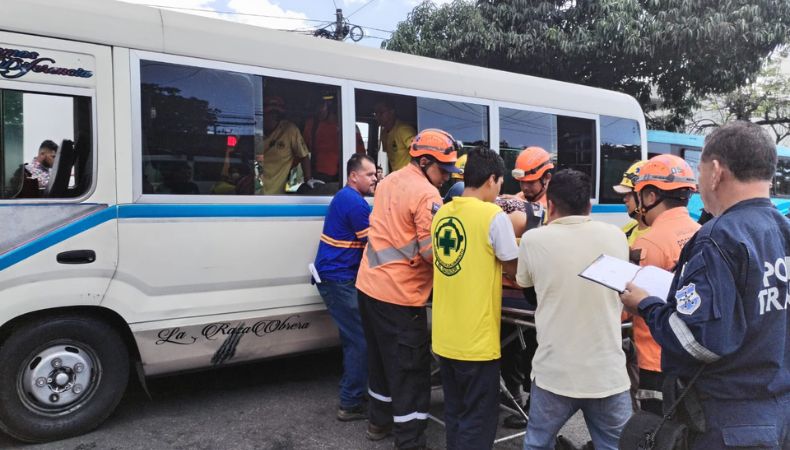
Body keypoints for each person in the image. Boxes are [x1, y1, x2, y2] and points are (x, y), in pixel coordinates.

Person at [621, 121, 790, 450]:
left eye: (699, 172)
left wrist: (647, 305)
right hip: (778, 413)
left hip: (727, 420)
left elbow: (697, 341)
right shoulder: (783, 229)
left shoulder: (718, 238)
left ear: (715, 171)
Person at [356, 128, 461, 450]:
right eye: (443, 170)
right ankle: (410, 440)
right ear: (425, 160)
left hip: (368, 286)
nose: (446, 177)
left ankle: (378, 423)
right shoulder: (427, 195)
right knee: (410, 372)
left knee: (379, 364)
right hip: (399, 296)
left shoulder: (388, 182)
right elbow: (431, 253)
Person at [516, 169, 632, 450]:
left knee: (537, 444)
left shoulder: (533, 240)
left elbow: (528, 289)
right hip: (608, 374)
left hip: (554, 373)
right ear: (589, 207)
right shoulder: (616, 237)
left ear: (550, 204)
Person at [431, 147, 518, 450]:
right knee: (478, 422)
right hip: (476, 342)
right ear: (492, 179)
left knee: (455, 415)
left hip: (445, 336)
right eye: (500, 183)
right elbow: (513, 266)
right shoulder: (493, 216)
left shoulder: (442, 213)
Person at [629, 154, 700, 415]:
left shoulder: (648, 243)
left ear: (649, 196)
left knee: (656, 433)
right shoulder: (702, 232)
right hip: (693, 355)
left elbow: (628, 306)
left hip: (656, 359)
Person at [313, 153, 378, 422]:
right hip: (337, 279)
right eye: (370, 175)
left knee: (354, 338)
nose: (375, 179)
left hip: (336, 277)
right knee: (360, 340)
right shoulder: (355, 204)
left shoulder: (346, 197)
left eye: (376, 174)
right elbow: (376, 245)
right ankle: (350, 403)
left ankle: (356, 392)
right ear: (353, 176)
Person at [303, 91, 366, 184]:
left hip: (342, 179)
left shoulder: (350, 127)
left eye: (321, 105)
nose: (317, 110)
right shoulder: (311, 125)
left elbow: (361, 156)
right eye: (316, 106)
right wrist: (307, 178)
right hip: (318, 179)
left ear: (330, 106)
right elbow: (301, 153)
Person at [256, 96, 311, 195]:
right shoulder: (255, 130)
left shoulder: (290, 131)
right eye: (269, 113)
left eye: (275, 114)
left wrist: (308, 181)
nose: (272, 117)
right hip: (251, 194)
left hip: (276, 197)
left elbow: (304, 156)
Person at [613, 160, 650, 248]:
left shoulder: (657, 236)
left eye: (629, 194)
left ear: (646, 196)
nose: (625, 199)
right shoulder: (631, 227)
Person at [373, 97, 416, 173]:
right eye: (376, 113)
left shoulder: (404, 130)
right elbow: (391, 159)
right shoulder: (383, 134)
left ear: (392, 111)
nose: (377, 116)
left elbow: (417, 154)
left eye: (381, 112)